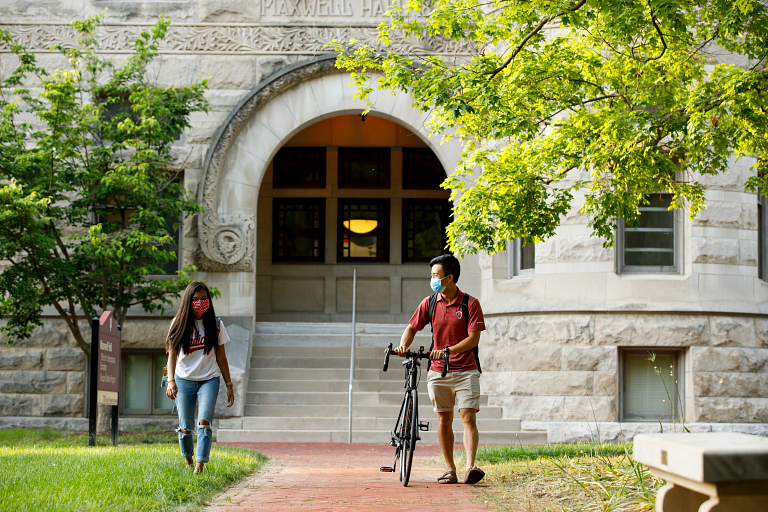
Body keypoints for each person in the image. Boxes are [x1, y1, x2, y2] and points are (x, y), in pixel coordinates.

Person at [394, 254, 486, 485]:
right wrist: (404, 345)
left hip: (466, 370)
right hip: (438, 371)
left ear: (450, 277)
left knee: (468, 417)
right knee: (444, 420)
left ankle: (470, 467)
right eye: (432, 275)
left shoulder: (470, 304)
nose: (432, 279)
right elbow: (412, 327)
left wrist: (448, 350)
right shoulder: (430, 303)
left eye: (436, 275)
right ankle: (450, 469)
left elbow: (473, 339)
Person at [165, 281, 235, 474]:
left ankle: (199, 466)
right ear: (188, 301)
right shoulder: (178, 324)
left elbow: (221, 356)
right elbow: (171, 355)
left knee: (204, 422)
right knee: (185, 426)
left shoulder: (216, 324)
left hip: (209, 379)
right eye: (195, 300)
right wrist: (171, 381)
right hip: (183, 379)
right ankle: (188, 460)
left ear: (209, 300)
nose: (200, 303)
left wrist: (229, 384)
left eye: (204, 299)